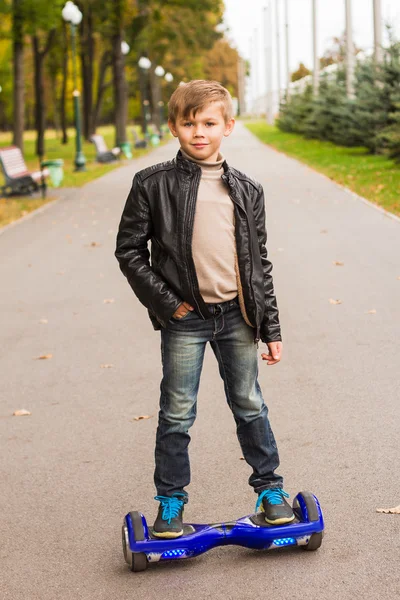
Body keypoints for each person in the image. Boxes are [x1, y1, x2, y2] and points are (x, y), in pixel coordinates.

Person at [115, 80, 295, 539]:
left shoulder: (247, 190)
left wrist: (270, 326)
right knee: (177, 411)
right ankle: (171, 500)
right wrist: (169, 304)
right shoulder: (152, 184)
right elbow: (129, 250)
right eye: (189, 123)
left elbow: (260, 263)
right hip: (185, 318)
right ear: (173, 126)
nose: (199, 132)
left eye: (209, 122)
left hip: (237, 315)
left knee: (249, 403)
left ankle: (270, 490)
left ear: (228, 126)